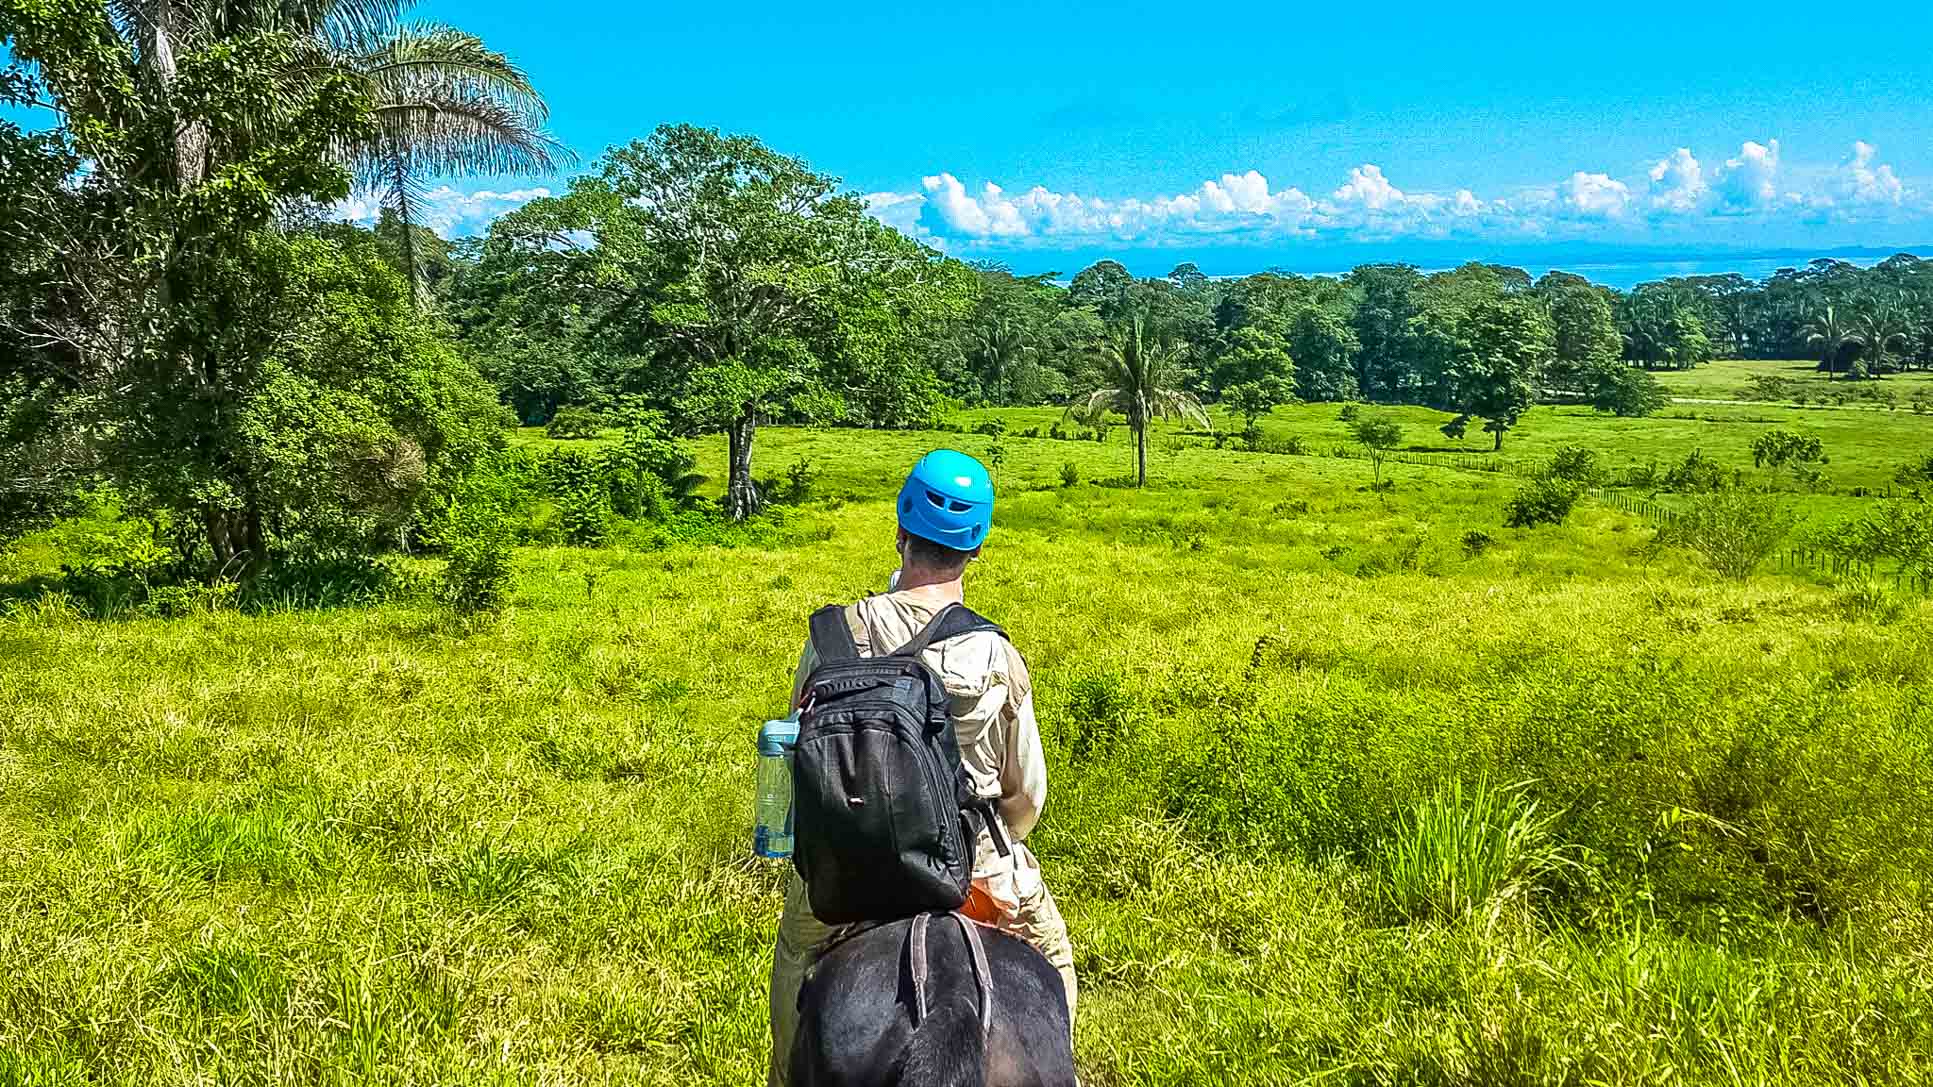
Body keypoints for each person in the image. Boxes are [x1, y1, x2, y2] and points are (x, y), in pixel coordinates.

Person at [766, 449, 1077, 1086]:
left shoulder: (831, 637)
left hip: (849, 871)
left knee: (797, 963)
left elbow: (804, 753)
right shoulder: (995, 654)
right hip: (974, 867)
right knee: (1055, 965)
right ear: (976, 548)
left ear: (901, 529)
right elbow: (1027, 797)